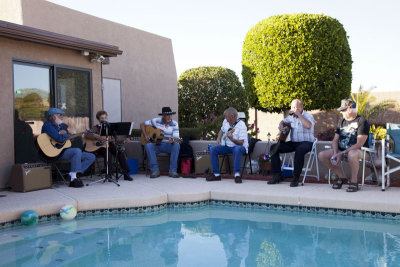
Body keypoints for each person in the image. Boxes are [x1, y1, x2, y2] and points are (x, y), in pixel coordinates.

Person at [318, 99, 369, 192]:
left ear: (350, 109)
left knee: (352, 154)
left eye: (343, 110)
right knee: (322, 155)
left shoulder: (362, 121)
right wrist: (335, 153)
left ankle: (354, 181)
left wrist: (342, 153)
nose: (341, 112)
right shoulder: (341, 121)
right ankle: (342, 177)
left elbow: (359, 144)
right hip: (342, 151)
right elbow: (335, 139)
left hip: (360, 151)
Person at [41, 108, 95, 188]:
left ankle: (73, 173)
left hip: (63, 150)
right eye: (60, 115)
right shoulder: (48, 125)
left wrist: (69, 136)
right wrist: (65, 135)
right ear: (53, 117)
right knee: (76, 151)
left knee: (91, 157)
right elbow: (59, 138)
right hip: (55, 152)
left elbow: (65, 137)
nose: (62, 116)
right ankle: (73, 179)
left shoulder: (60, 126)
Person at [268, 99, 315, 187]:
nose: (294, 109)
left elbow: (308, 126)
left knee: (300, 150)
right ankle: (277, 175)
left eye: (296, 107)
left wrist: (299, 115)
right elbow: (283, 121)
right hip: (294, 142)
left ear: (301, 107)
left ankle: (296, 178)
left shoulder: (308, 116)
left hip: (307, 142)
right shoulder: (291, 117)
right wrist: (281, 126)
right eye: (292, 107)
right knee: (274, 147)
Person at [84, 110, 132, 181]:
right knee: (107, 153)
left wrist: (124, 140)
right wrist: (98, 137)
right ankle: (108, 174)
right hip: (100, 148)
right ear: (98, 119)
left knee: (119, 152)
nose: (104, 119)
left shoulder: (110, 127)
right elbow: (86, 134)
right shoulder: (95, 127)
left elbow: (117, 139)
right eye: (102, 118)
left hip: (110, 145)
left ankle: (126, 173)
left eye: (105, 118)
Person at [206, 107, 248, 183]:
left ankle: (237, 175)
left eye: (227, 117)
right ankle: (216, 174)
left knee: (237, 149)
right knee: (213, 149)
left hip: (239, 147)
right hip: (227, 146)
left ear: (233, 117)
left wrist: (232, 139)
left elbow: (241, 143)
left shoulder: (241, 125)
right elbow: (221, 131)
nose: (225, 118)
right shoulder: (225, 121)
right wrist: (218, 139)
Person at [140, 107, 180, 178]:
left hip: (168, 146)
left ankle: (173, 171)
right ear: (163, 116)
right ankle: (155, 170)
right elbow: (142, 124)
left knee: (176, 145)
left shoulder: (175, 124)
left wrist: (172, 141)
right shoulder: (156, 121)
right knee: (148, 146)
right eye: (168, 115)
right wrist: (145, 135)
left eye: (170, 115)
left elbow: (176, 138)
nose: (170, 117)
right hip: (157, 145)